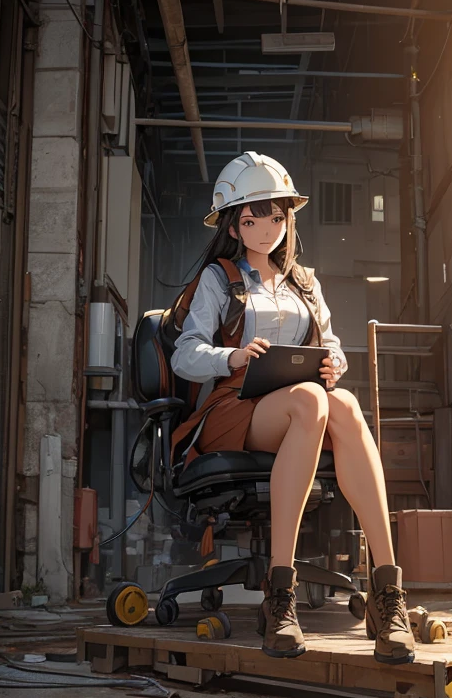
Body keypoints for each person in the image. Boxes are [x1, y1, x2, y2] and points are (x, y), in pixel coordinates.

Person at [171, 152, 414, 665]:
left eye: (278, 216)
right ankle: (280, 595)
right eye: (255, 217)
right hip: (233, 408)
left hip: (301, 409)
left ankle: (387, 594)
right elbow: (185, 354)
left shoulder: (304, 282)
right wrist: (232, 354)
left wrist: (334, 366)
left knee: (342, 402)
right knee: (311, 401)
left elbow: (333, 344)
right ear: (235, 223)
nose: (269, 228)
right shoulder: (218, 279)